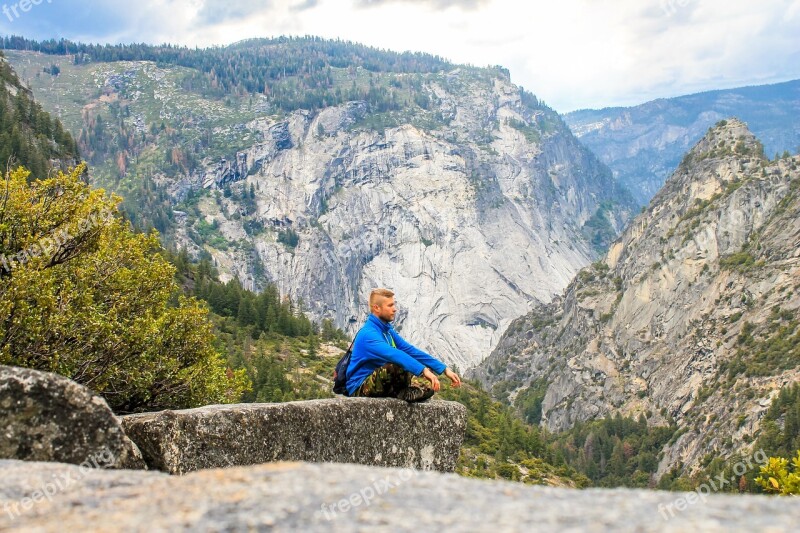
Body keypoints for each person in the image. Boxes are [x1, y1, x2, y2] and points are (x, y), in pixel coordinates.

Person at [346, 288, 461, 402]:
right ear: (377, 308)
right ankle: (401, 392)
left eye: (394, 305)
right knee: (397, 364)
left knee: (420, 374)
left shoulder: (387, 330)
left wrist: (444, 369)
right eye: (390, 306)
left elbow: (409, 350)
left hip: (378, 382)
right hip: (360, 387)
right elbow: (394, 354)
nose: (394, 309)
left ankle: (403, 392)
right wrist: (424, 371)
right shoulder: (369, 334)